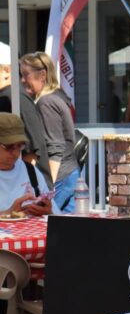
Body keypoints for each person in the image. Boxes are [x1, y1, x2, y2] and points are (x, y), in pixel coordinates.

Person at [18, 52, 79, 212]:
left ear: (43, 75)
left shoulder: (46, 102)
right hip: (69, 173)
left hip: (60, 177)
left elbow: (55, 147)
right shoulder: (57, 96)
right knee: (65, 227)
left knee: (48, 224)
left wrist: (47, 188)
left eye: (26, 75)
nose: (22, 80)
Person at [0, 114, 53, 217]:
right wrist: (7, 214)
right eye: (9, 147)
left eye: (20, 146)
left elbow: (54, 214)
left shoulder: (30, 170)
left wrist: (47, 212)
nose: (15, 152)